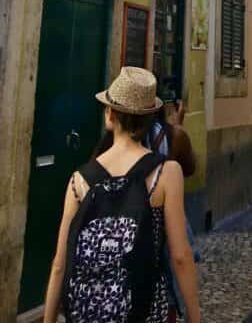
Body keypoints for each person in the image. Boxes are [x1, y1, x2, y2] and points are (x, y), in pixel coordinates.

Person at [43, 66, 200, 323]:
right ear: (150, 117)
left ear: (109, 115)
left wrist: (48, 319)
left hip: (88, 311)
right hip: (145, 308)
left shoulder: (79, 180)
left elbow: (60, 262)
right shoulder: (166, 173)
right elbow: (181, 256)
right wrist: (195, 318)